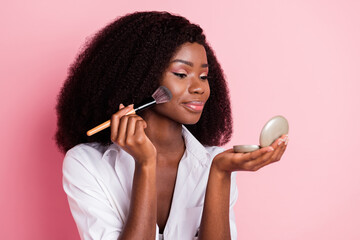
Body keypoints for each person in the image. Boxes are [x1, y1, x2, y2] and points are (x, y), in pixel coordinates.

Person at [56, 11, 288, 240]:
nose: (199, 88)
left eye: (204, 76)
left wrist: (220, 172)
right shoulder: (86, 164)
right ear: (140, 76)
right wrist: (145, 163)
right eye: (181, 74)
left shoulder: (213, 161)